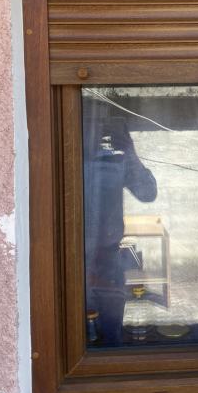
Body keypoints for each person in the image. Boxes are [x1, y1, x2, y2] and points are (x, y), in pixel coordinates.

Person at [83, 111, 157, 345]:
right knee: (70, 339)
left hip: (108, 262)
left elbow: (147, 193)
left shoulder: (115, 162)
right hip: (70, 263)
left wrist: (130, 153)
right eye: (92, 126)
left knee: (110, 339)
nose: (99, 132)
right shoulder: (65, 160)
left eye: (103, 127)